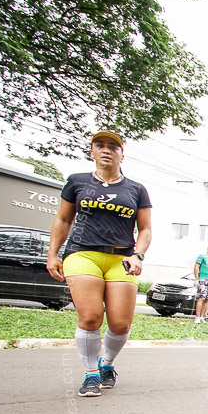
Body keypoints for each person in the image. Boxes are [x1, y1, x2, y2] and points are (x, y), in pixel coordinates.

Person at [45, 129, 151, 397]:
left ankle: (107, 364)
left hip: (121, 258)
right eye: (100, 145)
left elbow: (145, 229)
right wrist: (53, 254)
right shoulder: (77, 182)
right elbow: (63, 220)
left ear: (121, 155)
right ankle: (91, 373)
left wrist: (137, 255)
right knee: (91, 317)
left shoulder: (136, 189)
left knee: (120, 324)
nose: (106, 150)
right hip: (82, 254)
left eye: (113, 147)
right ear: (92, 151)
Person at [193, 244, 208, 324]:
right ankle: (197, 316)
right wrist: (197, 279)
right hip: (203, 279)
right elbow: (196, 267)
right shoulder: (202, 256)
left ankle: (202, 316)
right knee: (201, 298)